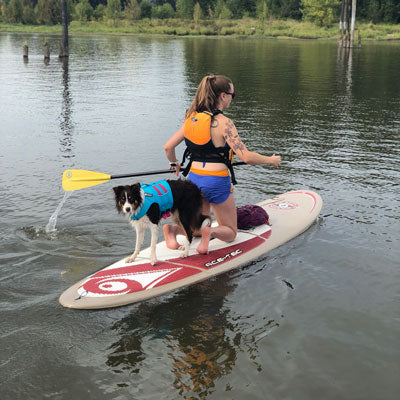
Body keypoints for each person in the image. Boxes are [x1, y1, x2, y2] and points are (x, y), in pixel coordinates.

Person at [163, 75, 281, 254]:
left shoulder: (191, 118)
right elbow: (247, 157)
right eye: (232, 95)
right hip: (216, 182)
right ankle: (209, 233)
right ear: (223, 96)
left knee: (197, 225)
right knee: (230, 232)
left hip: (193, 180)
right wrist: (271, 160)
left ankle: (172, 230)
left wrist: (174, 163)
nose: (232, 99)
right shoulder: (224, 123)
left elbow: (168, 147)